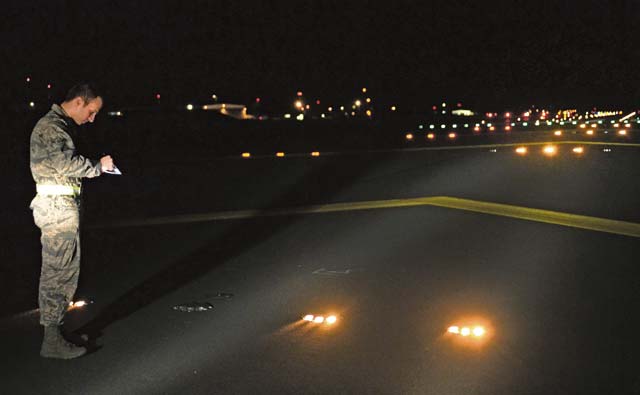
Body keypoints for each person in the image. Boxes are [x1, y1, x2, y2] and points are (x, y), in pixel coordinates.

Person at [29, 83, 114, 359]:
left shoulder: (59, 125)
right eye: (91, 111)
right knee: (58, 273)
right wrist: (98, 166)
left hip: (60, 208)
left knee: (63, 271)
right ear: (79, 102)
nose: (92, 118)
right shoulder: (52, 127)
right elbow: (65, 163)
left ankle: (57, 332)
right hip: (56, 210)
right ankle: (52, 340)